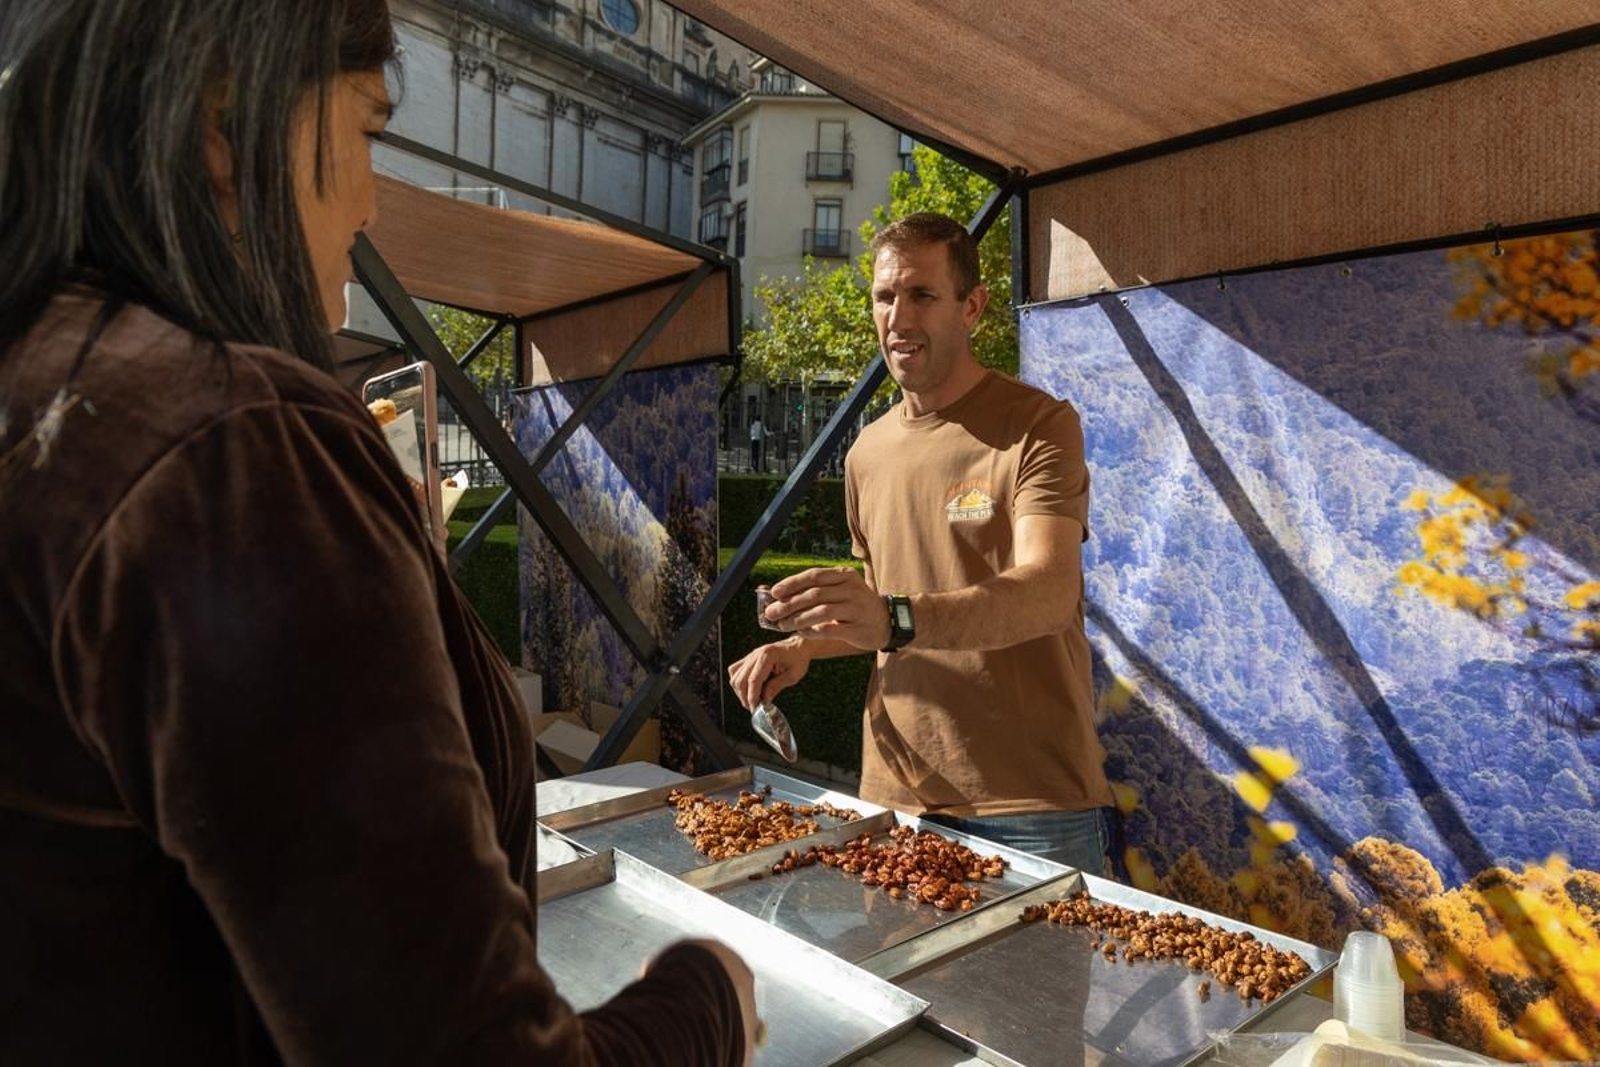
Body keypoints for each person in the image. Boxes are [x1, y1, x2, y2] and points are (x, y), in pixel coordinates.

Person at [0, 2, 754, 1064]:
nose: (365, 204)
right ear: (224, 113)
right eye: (363, 129)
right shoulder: (234, 447)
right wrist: (703, 998)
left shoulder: (53, 389)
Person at [728, 213, 1115, 873]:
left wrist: (893, 617)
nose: (898, 317)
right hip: (897, 795)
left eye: (922, 295)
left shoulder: (1038, 425)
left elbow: (1049, 591)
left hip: (1032, 806)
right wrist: (804, 646)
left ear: (973, 307)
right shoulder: (867, 452)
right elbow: (883, 614)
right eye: (885, 296)